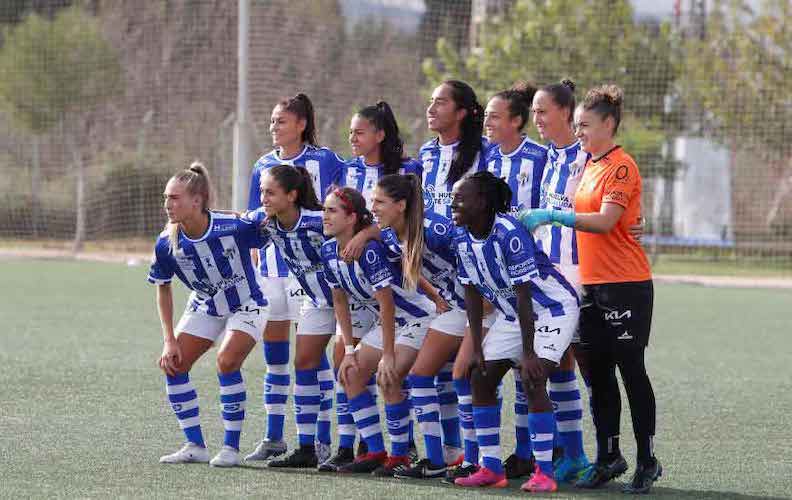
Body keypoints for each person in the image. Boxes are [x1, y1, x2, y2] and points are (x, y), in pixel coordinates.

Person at [520, 84, 661, 494]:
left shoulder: (621, 165)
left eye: (585, 124)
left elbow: (604, 221)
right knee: (597, 376)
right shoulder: (588, 164)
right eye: (577, 124)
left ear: (609, 124)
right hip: (590, 284)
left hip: (625, 284)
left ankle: (648, 460)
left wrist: (552, 215)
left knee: (631, 371)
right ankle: (608, 455)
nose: (578, 131)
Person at [449, 171, 579, 492]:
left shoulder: (510, 233)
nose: (454, 204)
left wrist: (528, 353)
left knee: (532, 379)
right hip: (511, 315)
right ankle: (491, 468)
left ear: (482, 203)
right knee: (480, 378)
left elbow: (524, 295)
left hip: (551, 308)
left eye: (460, 198)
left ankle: (544, 473)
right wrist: (477, 346)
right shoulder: (462, 237)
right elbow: (471, 293)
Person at [245, 165, 375, 468]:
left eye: (270, 192)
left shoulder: (319, 220)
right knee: (303, 361)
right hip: (317, 301)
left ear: (291, 196)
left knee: (346, 364)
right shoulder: (266, 223)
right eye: (262, 191)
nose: (263, 197)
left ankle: (349, 446)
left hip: (352, 299)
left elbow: (373, 226)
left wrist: (364, 235)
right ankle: (307, 447)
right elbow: (236, 223)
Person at [246, 93, 344, 462]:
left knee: (317, 357)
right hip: (273, 271)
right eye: (272, 121)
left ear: (302, 124)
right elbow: (252, 213)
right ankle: (275, 436)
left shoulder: (327, 160)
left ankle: (323, 439)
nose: (274, 127)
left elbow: (342, 212)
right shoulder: (263, 164)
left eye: (281, 121)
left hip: (318, 281)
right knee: (277, 358)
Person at [150, 162, 268, 468]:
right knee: (173, 365)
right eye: (166, 197)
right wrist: (169, 340)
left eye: (175, 197)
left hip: (248, 303)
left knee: (227, 361)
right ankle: (195, 445)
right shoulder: (166, 244)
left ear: (197, 201)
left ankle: (230, 448)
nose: (168, 204)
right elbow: (162, 289)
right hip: (205, 305)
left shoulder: (233, 227)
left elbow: (272, 227)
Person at [321, 185, 437, 475]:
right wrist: (348, 350)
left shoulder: (370, 251)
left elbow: (386, 304)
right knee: (348, 373)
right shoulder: (327, 251)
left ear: (351, 219)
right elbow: (339, 301)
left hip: (417, 319)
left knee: (388, 376)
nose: (325, 216)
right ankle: (374, 451)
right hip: (391, 324)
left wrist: (386, 355)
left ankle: (400, 455)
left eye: (332, 210)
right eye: (325, 210)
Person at [371, 174, 467, 479]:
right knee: (428, 376)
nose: (374, 208)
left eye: (379, 202)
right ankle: (440, 458)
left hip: (481, 305)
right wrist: (437, 295)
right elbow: (410, 264)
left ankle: (470, 458)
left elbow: (471, 257)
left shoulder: (434, 229)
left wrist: (483, 308)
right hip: (455, 307)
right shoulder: (391, 234)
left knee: (469, 380)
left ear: (400, 205)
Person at [420, 80, 489, 219]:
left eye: (440, 103)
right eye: (431, 101)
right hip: (430, 240)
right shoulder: (426, 151)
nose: (430, 109)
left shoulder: (487, 150)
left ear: (460, 113)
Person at [341, 101, 422, 207]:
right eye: (351, 132)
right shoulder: (348, 168)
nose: (352, 139)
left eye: (359, 133)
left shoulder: (409, 169)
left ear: (380, 136)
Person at [484, 81, 547, 215]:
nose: (487, 123)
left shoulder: (542, 157)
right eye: (486, 116)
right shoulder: (488, 156)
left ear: (516, 121)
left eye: (494, 117)